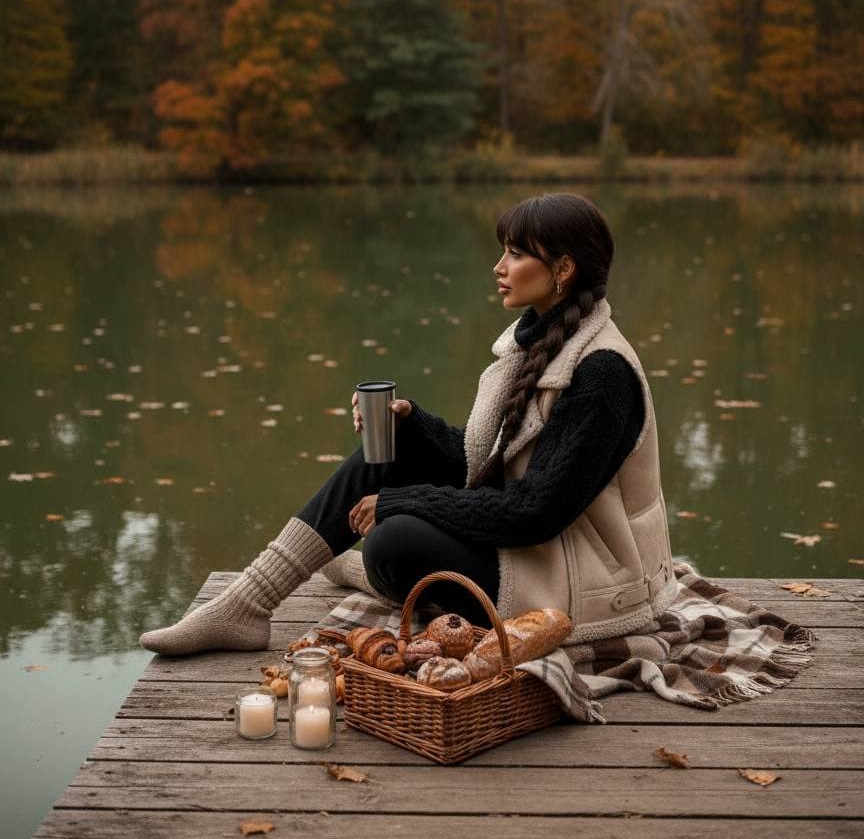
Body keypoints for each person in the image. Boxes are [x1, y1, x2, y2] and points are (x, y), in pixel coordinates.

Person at [140, 192, 675, 655]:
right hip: (537, 548)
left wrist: (401, 502)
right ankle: (248, 603)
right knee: (388, 450)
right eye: (503, 251)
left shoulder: (602, 371)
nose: (499, 266)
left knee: (392, 543)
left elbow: (533, 513)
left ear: (563, 270)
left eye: (515, 253)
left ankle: (372, 575)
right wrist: (414, 426)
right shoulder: (540, 338)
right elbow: (492, 466)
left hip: (580, 578)